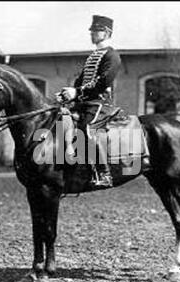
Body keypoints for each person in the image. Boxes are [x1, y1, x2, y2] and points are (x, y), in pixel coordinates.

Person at [56, 15, 122, 187]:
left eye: (96, 30)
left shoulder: (112, 56)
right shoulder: (93, 55)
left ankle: (104, 172)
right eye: (92, 30)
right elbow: (82, 80)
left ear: (107, 33)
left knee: (87, 128)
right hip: (85, 102)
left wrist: (76, 92)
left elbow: (103, 82)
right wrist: (67, 93)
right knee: (62, 120)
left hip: (100, 103)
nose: (92, 33)